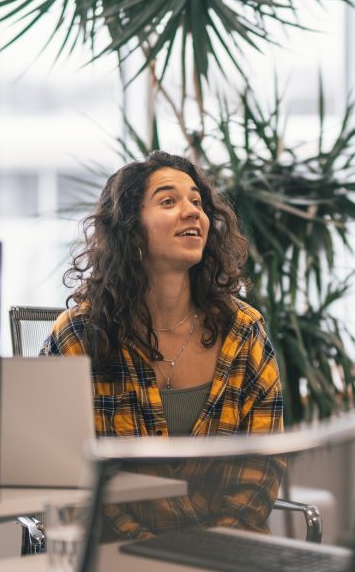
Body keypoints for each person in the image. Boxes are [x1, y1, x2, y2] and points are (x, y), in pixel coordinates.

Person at [42, 150, 283, 537]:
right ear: (130, 228)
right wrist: (150, 550)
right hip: (116, 560)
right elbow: (67, 478)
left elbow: (261, 469)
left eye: (197, 201)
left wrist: (214, 546)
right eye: (168, 201)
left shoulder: (244, 330)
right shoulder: (80, 336)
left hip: (227, 554)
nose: (192, 212)